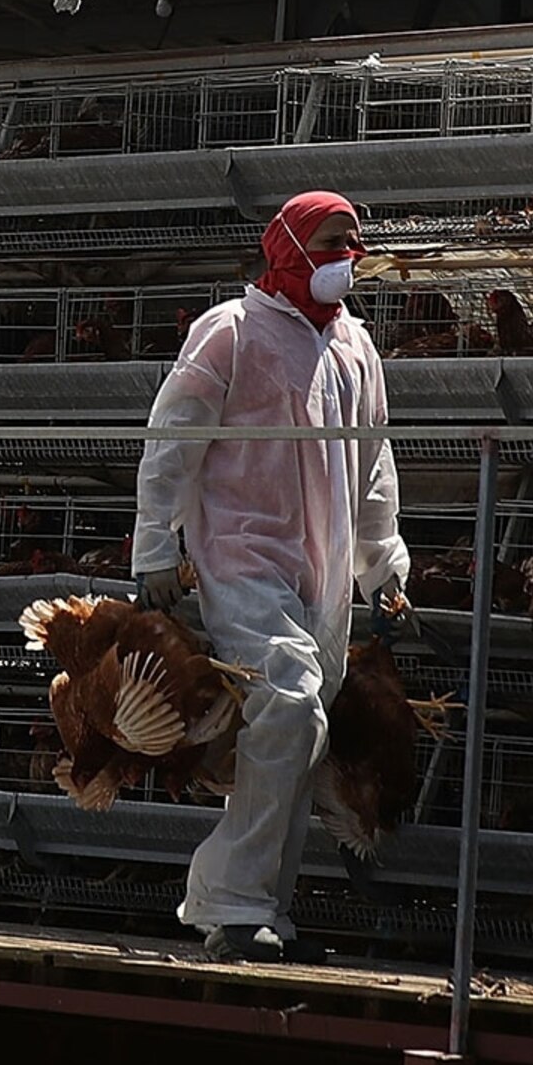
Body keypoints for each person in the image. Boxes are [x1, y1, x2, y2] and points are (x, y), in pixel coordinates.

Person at [130, 190, 409, 962]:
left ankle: (264, 914)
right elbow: (173, 439)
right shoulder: (232, 331)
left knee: (306, 729)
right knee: (286, 703)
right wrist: (156, 545)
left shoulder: (355, 346)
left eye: (354, 244)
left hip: (320, 572)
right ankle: (231, 897)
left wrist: (382, 561)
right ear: (284, 244)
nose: (345, 257)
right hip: (243, 555)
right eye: (330, 241)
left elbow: (373, 462)